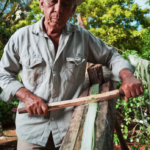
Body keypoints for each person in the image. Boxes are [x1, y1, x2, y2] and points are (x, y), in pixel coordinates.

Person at [0, 0, 144, 149]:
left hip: (70, 128)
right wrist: (26, 96)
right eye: (52, 2)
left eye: (66, 4)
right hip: (32, 130)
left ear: (73, 9)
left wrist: (127, 76)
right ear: (42, 4)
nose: (58, 9)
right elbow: (3, 74)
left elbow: (111, 56)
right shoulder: (21, 37)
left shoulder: (82, 37)